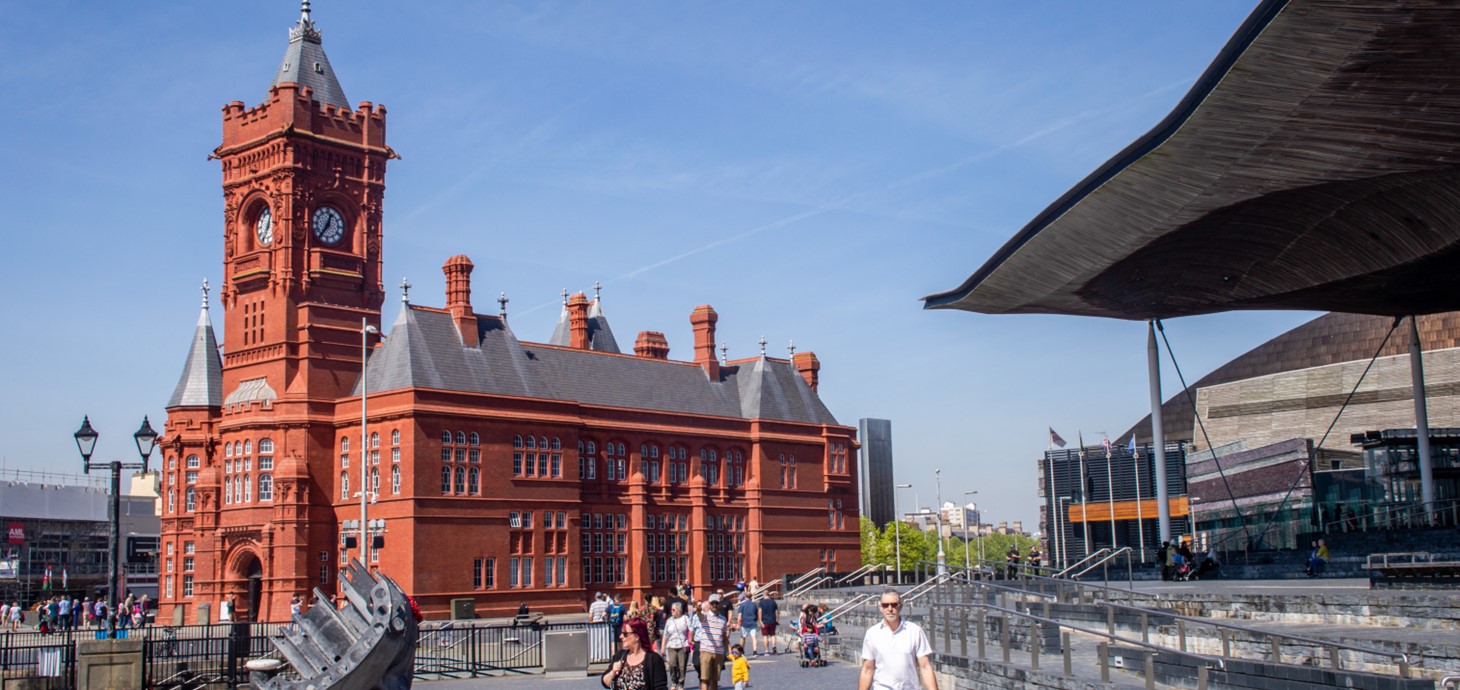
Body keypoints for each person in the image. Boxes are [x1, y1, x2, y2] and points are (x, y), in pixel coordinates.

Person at [858, 588, 938, 690]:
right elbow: (867, 669)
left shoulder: (914, 631)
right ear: (880, 607)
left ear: (900, 606)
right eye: (885, 605)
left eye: (894, 605)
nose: (890, 609)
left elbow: (925, 667)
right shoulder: (872, 633)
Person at [602, 617, 669, 690]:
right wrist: (613, 672)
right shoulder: (619, 656)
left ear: (637, 636)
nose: (621, 636)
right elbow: (605, 683)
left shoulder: (654, 659)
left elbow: (661, 687)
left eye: (625, 634)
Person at [691, 599, 729, 690]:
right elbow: (700, 617)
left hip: (718, 652)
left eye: (716, 603)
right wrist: (698, 610)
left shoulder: (723, 619)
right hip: (706, 651)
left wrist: (728, 650)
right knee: (705, 679)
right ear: (710, 605)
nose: (715, 605)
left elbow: (724, 637)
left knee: (715, 679)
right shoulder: (705, 616)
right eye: (713, 603)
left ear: (719, 604)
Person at [661, 601, 692, 690]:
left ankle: (681, 683)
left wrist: (690, 641)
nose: (671, 611)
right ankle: (674, 681)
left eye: (673, 610)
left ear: (679, 610)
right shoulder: (669, 620)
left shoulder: (685, 618)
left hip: (682, 645)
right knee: (672, 664)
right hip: (671, 645)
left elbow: (691, 630)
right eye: (671, 610)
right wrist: (663, 646)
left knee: (682, 666)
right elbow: (666, 634)